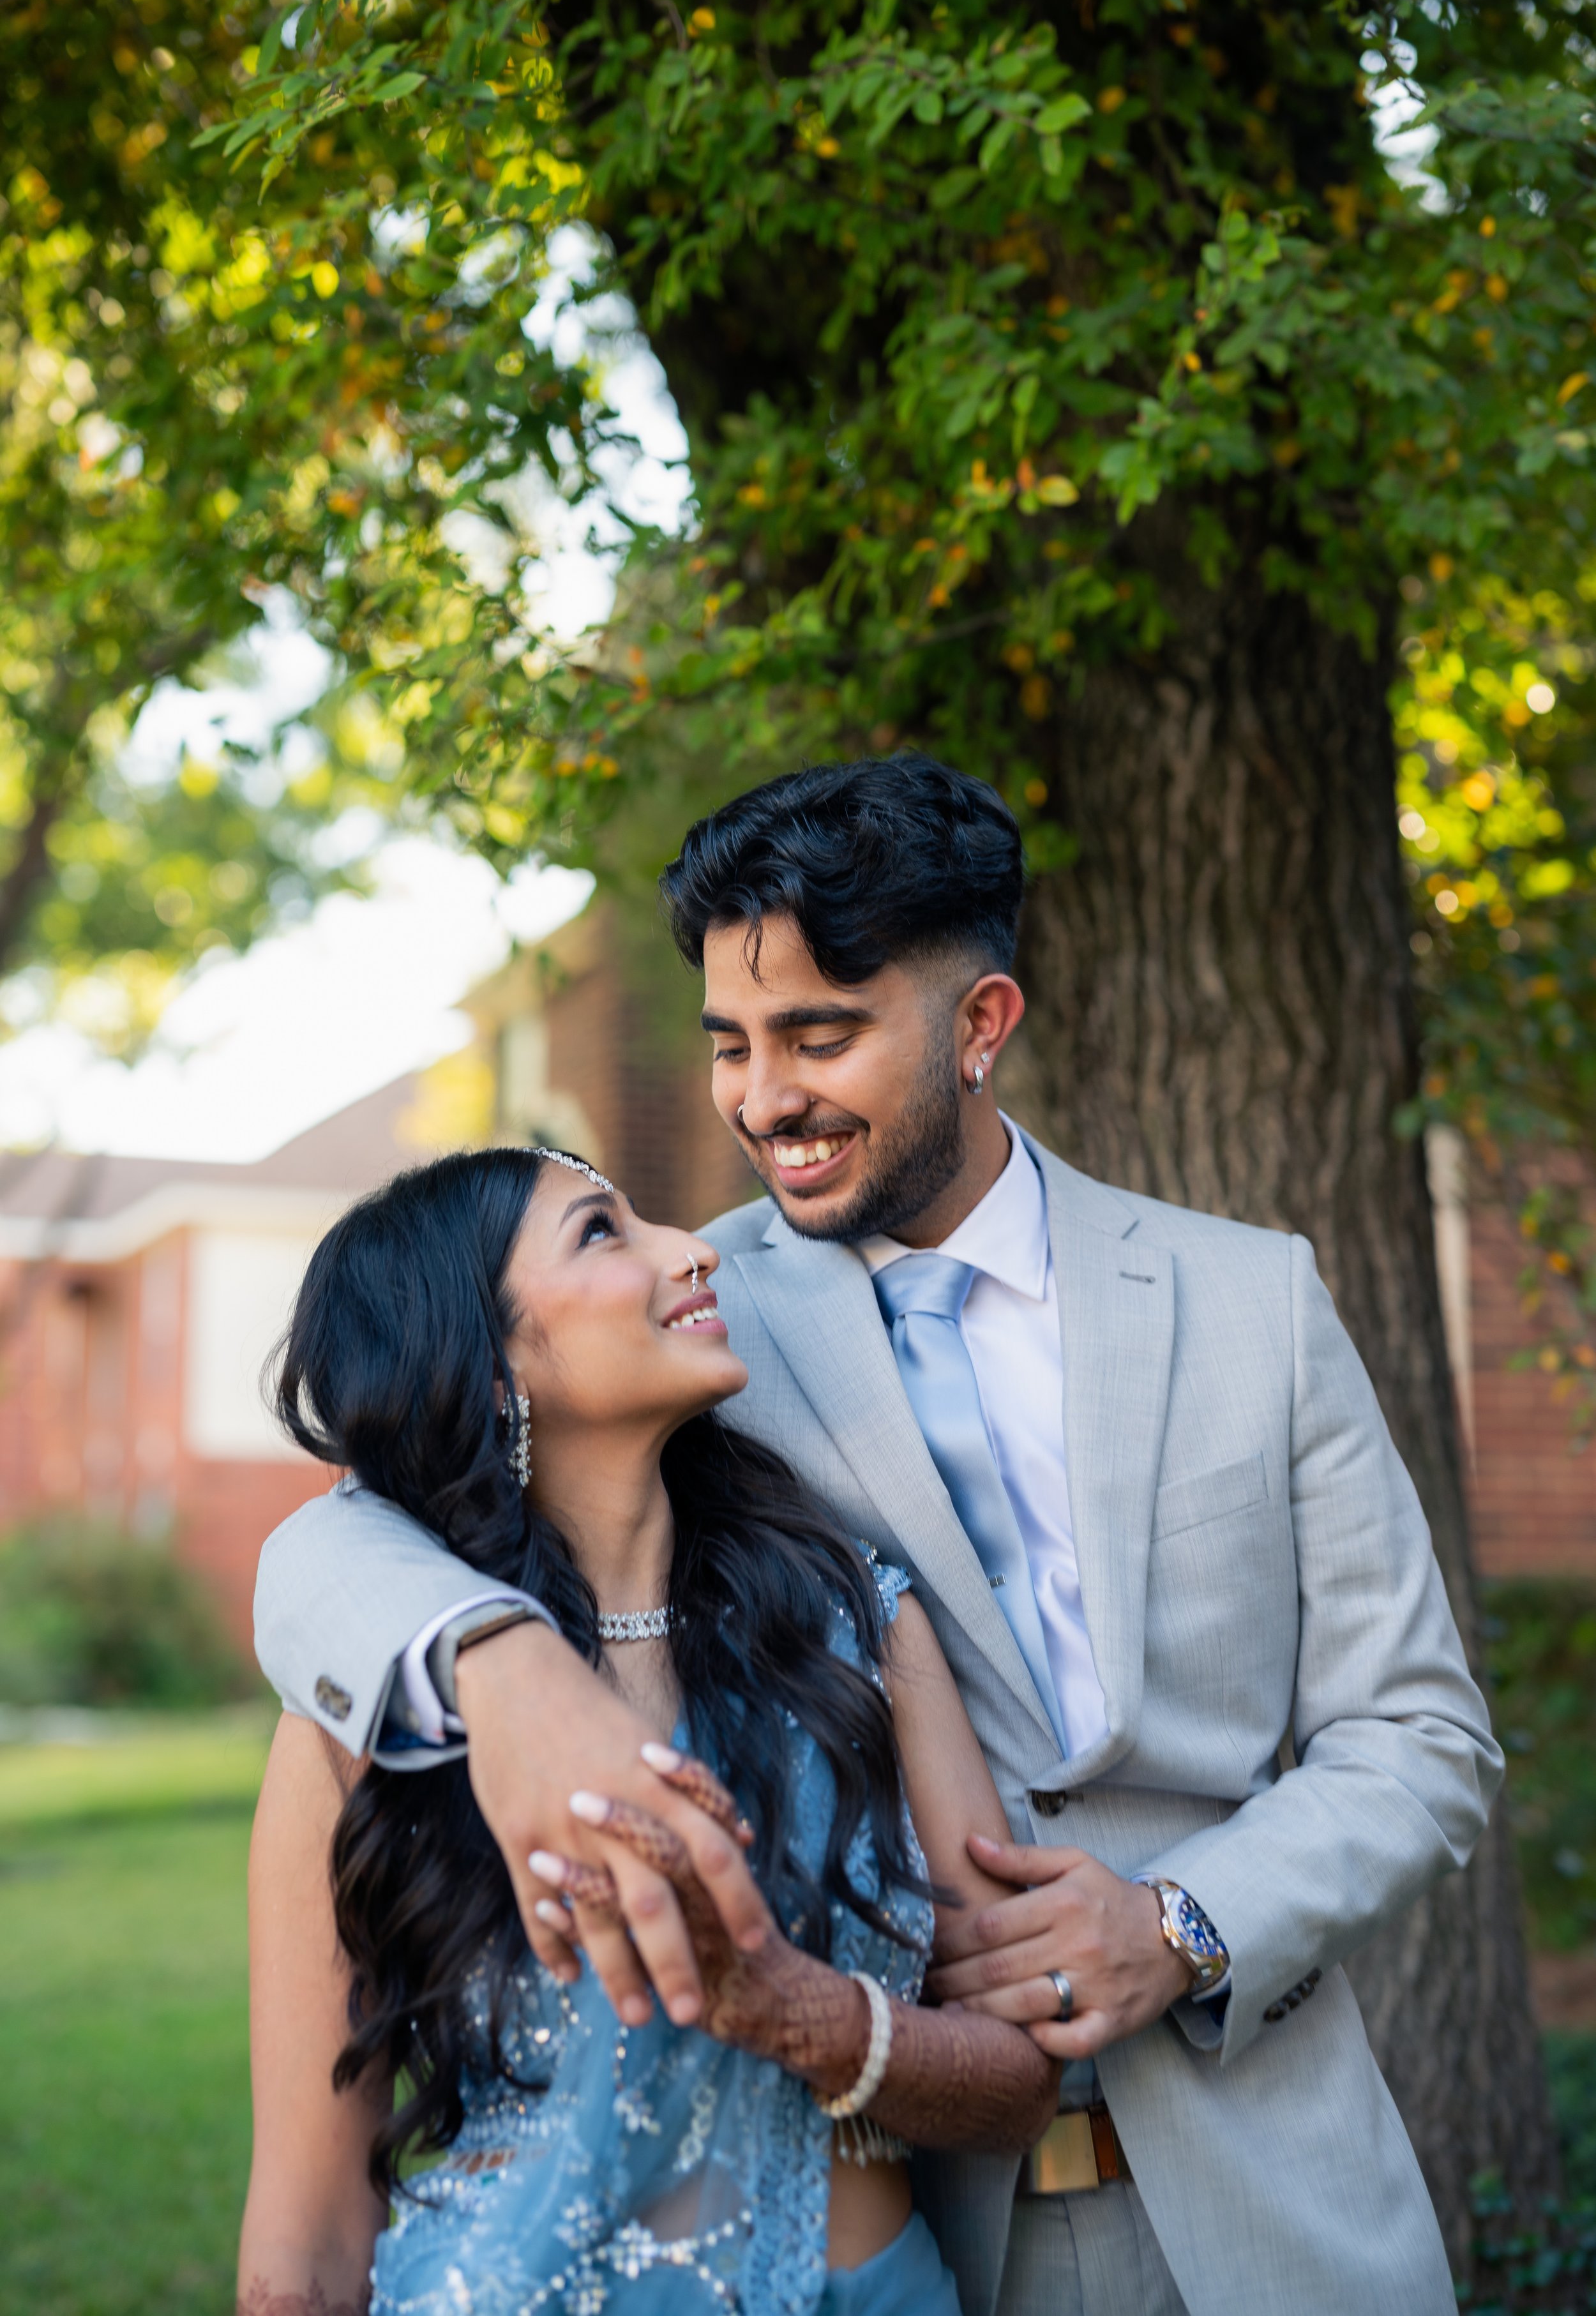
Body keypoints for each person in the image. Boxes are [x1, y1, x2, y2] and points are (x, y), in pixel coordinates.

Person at [255, 755, 1503, 2316]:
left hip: (1273, 2201)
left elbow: (1420, 1735)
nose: (762, 1100)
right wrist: (499, 1668)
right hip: (934, 2226)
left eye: (820, 1035)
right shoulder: (683, 1317)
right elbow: (334, 1546)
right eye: (730, 1045)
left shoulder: (1251, 1301)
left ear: (979, 1026)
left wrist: (1182, 1927)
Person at [239, 1143, 1067, 2316]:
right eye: (600, 1232)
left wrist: (802, 2010)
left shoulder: (859, 1626)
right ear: (489, 1370)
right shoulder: (380, 1715)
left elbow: (1023, 2081)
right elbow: (308, 2225)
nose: (691, 1249)